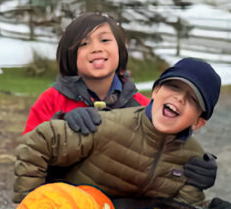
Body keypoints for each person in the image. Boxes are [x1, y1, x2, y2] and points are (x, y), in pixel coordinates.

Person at [23, 12, 218, 191]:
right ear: (70, 53)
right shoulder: (51, 100)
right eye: (84, 43)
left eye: (105, 40)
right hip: (62, 201)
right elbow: (30, 152)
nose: (96, 48)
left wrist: (198, 166)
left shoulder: (141, 105)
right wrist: (61, 122)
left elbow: (166, 149)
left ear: (120, 49)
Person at [13, 57, 228, 209]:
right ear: (156, 91)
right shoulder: (108, 125)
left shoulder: (192, 158)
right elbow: (37, 143)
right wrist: (32, 208)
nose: (179, 98)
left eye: (192, 99)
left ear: (199, 122)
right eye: (173, 87)